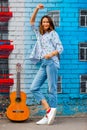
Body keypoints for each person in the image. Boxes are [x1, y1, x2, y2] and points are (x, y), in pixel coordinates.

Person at [29, 4, 63, 125]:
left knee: (51, 89)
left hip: (51, 62)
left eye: (47, 22)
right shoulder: (39, 34)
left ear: (50, 24)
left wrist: (51, 54)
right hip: (43, 63)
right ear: (42, 23)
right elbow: (32, 21)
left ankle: (51, 112)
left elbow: (60, 48)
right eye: (44, 22)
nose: (45, 24)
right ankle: (48, 110)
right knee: (33, 88)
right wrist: (37, 9)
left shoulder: (53, 33)